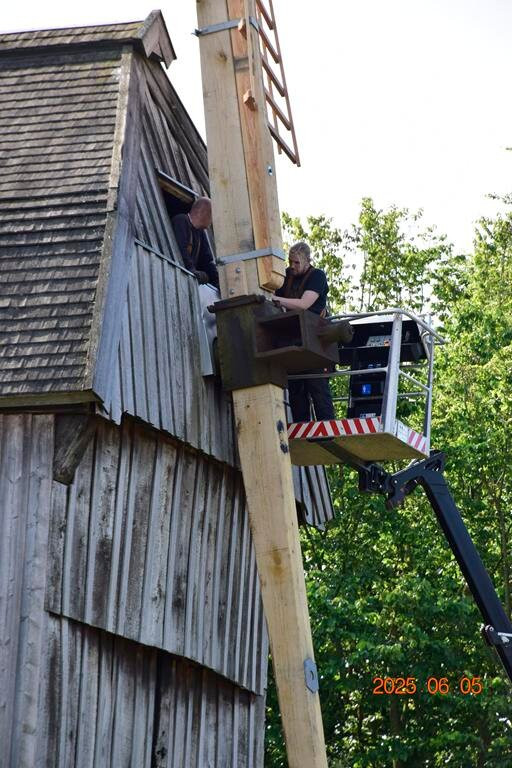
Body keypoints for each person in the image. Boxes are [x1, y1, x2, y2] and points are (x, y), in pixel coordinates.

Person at [273, 241, 335, 423]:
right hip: (295, 338)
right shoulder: (287, 276)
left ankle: (327, 432)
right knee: (296, 389)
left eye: (296, 263)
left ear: (307, 261)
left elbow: (304, 305)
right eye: (291, 262)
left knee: (318, 387)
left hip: (316, 338)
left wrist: (277, 299)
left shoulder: (317, 276)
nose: (292, 266)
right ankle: (301, 432)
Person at [172, 197, 219, 287]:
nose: (212, 221)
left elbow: (207, 260)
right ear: (203, 213)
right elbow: (181, 249)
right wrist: (191, 269)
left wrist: (217, 282)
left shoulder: (200, 233)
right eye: (212, 216)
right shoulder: (181, 220)